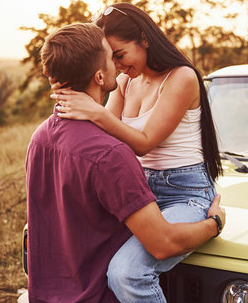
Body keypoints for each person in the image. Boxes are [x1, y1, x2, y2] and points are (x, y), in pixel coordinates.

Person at [23, 22, 225, 303]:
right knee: (129, 272)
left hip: (50, 296)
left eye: (119, 55)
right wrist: (214, 223)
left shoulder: (40, 138)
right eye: (110, 57)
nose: (117, 66)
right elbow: (162, 242)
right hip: (99, 290)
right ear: (98, 75)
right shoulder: (110, 154)